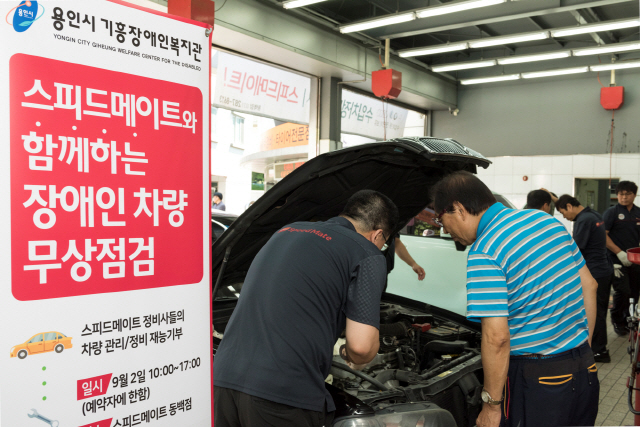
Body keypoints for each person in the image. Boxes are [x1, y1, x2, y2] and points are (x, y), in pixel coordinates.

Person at [214, 190, 399, 427]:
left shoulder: (286, 231)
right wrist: (349, 355)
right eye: (384, 244)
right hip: (282, 393)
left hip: (225, 379)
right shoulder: (367, 253)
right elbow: (361, 348)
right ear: (378, 235)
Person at [432, 171, 598, 427]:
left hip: (538, 384)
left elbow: (496, 338)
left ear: (458, 209)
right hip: (585, 370)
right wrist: (578, 347)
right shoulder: (545, 221)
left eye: (441, 220)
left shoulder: (485, 251)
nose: (445, 230)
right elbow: (590, 285)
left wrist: (491, 406)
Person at [556, 194, 614, 363]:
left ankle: (598, 350)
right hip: (604, 270)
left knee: (594, 311)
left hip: (594, 271)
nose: (565, 216)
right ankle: (600, 348)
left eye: (562, 212)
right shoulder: (594, 215)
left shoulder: (584, 220)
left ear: (569, 206)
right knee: (600, 310)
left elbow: (576, 248)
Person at [603, 180, 640, 336]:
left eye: (627, 194)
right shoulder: (611, 212)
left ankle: (629, 320)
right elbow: (603, 236)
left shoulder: (638, 212)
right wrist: (619, 253)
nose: (623, 197)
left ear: (634, 194)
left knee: (635, 292)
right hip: (616, 259)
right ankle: (617, 320)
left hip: (635, 259)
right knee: (623, 290)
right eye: (620, 194)